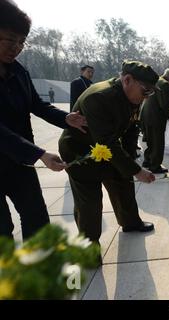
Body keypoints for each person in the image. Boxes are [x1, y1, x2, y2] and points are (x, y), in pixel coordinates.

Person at [0, 0, 87, 240]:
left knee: (36, 217)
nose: (15, 47)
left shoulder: (18, 71)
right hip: (19, 153)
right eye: (9, 39)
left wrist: (67, 118)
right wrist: (39, 154)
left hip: (18, 162)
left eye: (21, 42)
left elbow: (37, 105)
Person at [58, 60, 159, 244]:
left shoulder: (132, 97)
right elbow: (107, 142)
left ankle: (130, 222)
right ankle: (89, 245)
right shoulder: (99, 97)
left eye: (150, 93)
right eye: (145, 91)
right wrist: (137, 171)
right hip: (79, 151)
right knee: (89, 202)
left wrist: (129, 165)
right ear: (127, 80)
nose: (146, 97)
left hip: (105, 149)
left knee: (123, 181)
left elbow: (130, 130)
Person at [140, 68, 169, 173]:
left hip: (146, 115)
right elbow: (164, 104)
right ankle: (155, 166)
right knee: (157, 142)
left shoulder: (156, 81)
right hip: (155, 118)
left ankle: (147, 161)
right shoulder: (165, 84)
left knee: (150, 140)